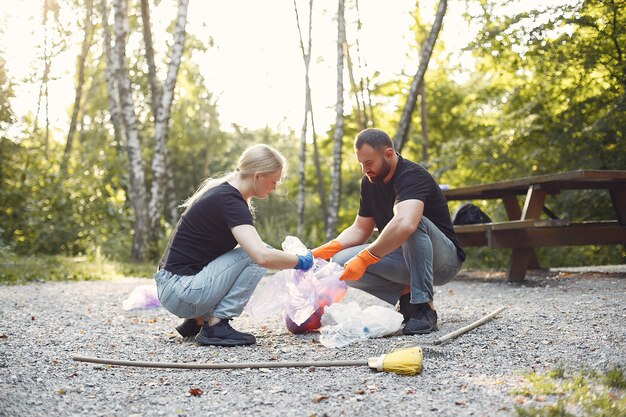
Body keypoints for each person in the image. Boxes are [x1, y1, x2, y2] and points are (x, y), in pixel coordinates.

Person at [154, 144, 313, 347]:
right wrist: (301, 261)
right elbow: (261, 257)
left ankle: (198, 320)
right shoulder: (230, 202)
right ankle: (217, 325)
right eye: (273, 182)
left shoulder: (223, 194)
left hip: (174, 288)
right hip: (181, 293)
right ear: (257, 176)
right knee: (254, 255)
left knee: (247, 252)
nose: (274, 188)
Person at [312, 128, 465, 335]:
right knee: (340, 262)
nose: (365, 170)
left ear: (389, 154)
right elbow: (360, 228)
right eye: (361, 164)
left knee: (410, 222)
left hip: (443, 262)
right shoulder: (369, 182)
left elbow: (406, 223)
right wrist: (327, 249)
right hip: (406, 258)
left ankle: (424, 307)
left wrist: (366, 257)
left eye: (369, 163)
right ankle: (407, 294)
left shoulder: (411, 175)